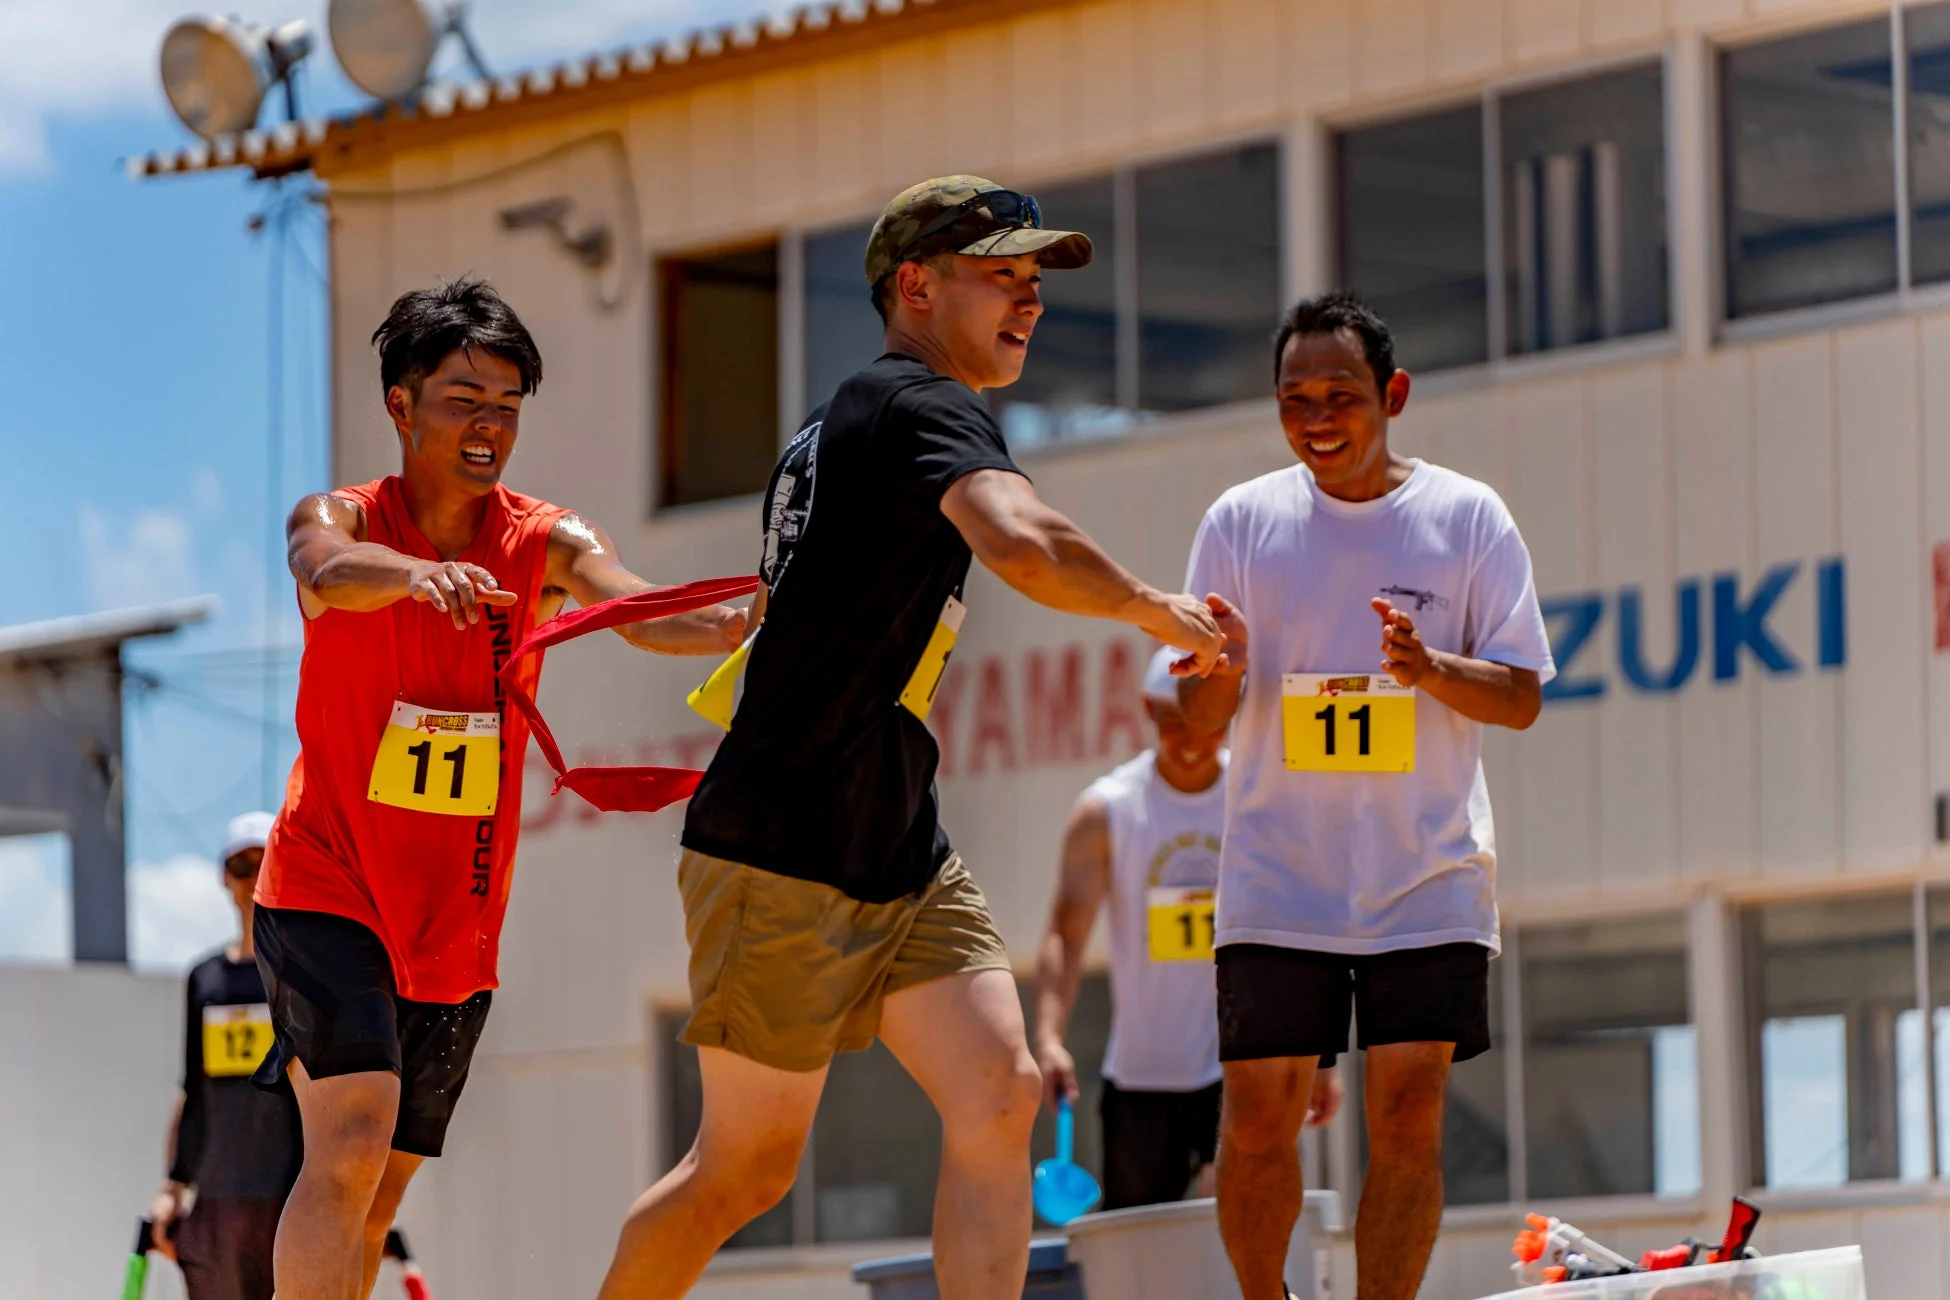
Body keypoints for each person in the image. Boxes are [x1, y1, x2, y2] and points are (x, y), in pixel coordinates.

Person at [595, 176, 1229, 1300]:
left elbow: (780, 613)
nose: (1029, 304)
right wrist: (1153, 607)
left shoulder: (837, 430)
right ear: (917, 287)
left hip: (897, 839)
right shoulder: (924, 405)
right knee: (742, 1170)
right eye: (1003, 278)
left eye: (1036, 283)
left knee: (1000, 1086)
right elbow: (1022, 538)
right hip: (781, 846)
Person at [256, 278, 747, 1300]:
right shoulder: (343, 517)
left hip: (456, 911)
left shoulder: (545, 539)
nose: (491, 425)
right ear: (401, 404)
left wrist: (732, 622)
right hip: (325, 877)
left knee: (382, 1194)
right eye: (464, 398)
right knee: (348, 1138)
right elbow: (324, 566)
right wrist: (410, 575)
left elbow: (639, 604)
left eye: (509, 404)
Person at [1181, 291, 1554, 1300]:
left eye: (1339, 394)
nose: (1316, 418)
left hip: (1425, 873)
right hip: (1278, 874)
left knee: (1406, 1117)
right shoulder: (1240, 521)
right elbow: (1200, 710)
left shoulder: (1467, 516)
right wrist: (1219, 672)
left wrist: (1429, 668)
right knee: (1256, 1119)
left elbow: (1521, 696)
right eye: (1293, 398)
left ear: (1391, 394)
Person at [1032, 647, 1341, 1211]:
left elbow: (1302, 927)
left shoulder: (1259, 803)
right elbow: (1065, 934)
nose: (1195, 739)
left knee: (1244, 1233)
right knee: (1142, 1257)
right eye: (1176, 723)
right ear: (1150, 712)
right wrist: (1049, 1039)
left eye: (1211, 724)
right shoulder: (1109, 812)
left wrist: (1321, 1057)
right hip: (1142, 1080)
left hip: (1240, 1067)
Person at [148, 811, 301, 1300]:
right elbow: (194, 1088)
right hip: (219, 1202)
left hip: (294, 1198)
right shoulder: (205, 979)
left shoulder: (305, 975)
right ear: (224, 876)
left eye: (265, 861)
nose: (253, 876)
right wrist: (174, 1185)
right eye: (242, 865)